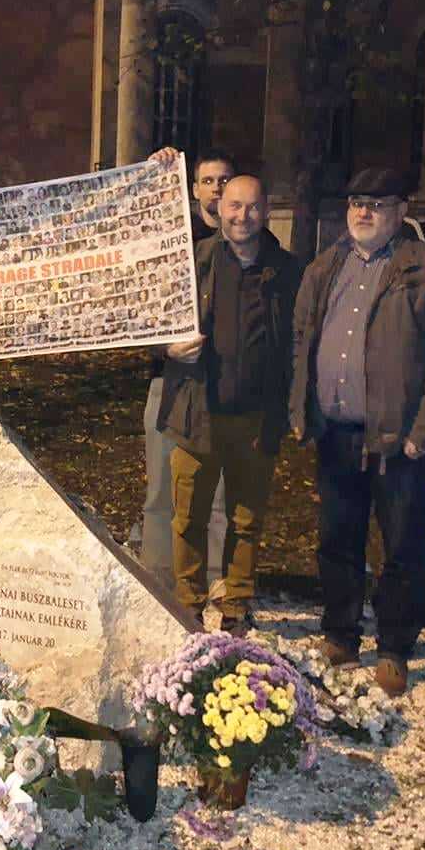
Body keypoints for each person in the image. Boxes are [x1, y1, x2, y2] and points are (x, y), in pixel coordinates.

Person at [290, 167, 425, 697]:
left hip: (399, 440)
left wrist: (424, 430)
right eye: (356, 202)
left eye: (376, 203)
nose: (363, 212)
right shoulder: (326, 266)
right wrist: (301, 408)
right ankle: (341, 634)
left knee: (402, 546)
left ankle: (394, 646)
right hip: (337, 433)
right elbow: (301, 340)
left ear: (400, 211)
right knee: (337, 539)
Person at [158, 174, 302, 632]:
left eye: (253, 207)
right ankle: (189, 603)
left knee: (246, 519)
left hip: (257, 419)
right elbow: (153, 318)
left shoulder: (287, 271)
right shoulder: (193, 261)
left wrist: (295, 406)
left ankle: (236, 605)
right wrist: (166, 348)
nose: (243, 216)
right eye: (235, 206)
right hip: (197, 412)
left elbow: (301, 341)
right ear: (220, 207)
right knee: (189, 518)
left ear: (266, 210)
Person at [139, 148, 235, 587]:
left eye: (224, 180)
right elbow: (141, 306)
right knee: (161, 490)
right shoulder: (172, 236)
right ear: (193, 189)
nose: (216, 189)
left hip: (224, 388)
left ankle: (215, 581)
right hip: (171, 382)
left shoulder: (250, 243)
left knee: (218, 495)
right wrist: (154, 173)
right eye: (207, 181)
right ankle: (158, 578)